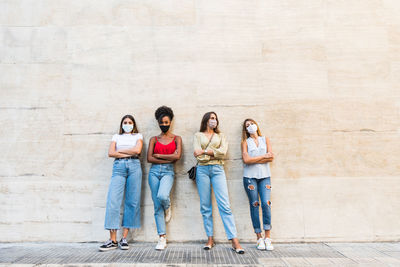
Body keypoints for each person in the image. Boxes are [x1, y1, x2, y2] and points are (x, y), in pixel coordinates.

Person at [193, 111, 245, 254]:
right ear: (206, 120)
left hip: (218, 169)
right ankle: (210, 239)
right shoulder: (198, 135)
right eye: (211, 118)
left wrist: (205, 152)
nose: (213, 121)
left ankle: (234, 240)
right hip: (202, 170)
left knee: (225, 205)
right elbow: (196, 154)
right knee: (205, 206)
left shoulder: (221, 136)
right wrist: (212, 152)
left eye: (215, 119)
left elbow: (223, 152)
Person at [99, 115, 143, 251]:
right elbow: (111, 153)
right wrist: (125, 153)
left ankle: (124, 238)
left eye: (130, 122)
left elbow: (137, 151)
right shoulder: (116, 137)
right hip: (118, 167)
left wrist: (120, 151)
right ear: (122, 124)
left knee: (132, 201)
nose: (127, 124)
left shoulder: (138, 136)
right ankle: (112, 239)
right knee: (113, 200)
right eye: (125, 122)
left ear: (134, 124)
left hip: (135, 166)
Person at [147, 106, 182, 250]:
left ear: (171, 122)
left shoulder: (177, 138)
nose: (164, 125)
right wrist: (169, 158)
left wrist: (160, 156)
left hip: (168, 172)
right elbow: (149, 158)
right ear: (158, 122)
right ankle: (162, 238)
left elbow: (177, 157)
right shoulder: (154, 139)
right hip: (154, 172)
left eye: (167, 122)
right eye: (162, 122)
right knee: (156, 206)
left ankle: (168, 207)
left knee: (162, 196)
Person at [241, 118, 274, 250]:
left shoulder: (265, 139)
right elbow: (246, 160)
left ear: (256, 125)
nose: (250, 126)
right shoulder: (245, 142)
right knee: (255, 204)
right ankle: (259, 237)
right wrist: (263, 157)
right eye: (247, 125)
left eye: (252, 124)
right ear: (245, 129)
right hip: (250, 177)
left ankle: (268, 237)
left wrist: (255, 159)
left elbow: (271, 157)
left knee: (266, 203)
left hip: (265, 176)